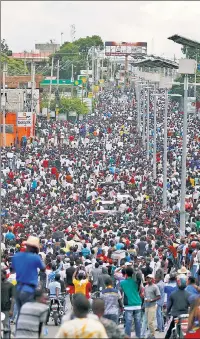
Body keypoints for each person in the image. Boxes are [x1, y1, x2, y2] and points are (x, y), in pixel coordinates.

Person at [12, 236, 45, 316]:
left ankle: (18, 328)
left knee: (20, 314)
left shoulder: (16, 256)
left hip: (18, 288)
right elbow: (43, 268)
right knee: (28, 315)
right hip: (29, 290)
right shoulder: (35, 258)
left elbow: (14, 268)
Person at [166, 274, 191, 339]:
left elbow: (169, 307)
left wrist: (167, 313)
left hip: (175, 316)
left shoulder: (173, 294)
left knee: (168, 332)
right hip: (185, 317)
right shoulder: (188, 295)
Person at [120, 266, 142, 338]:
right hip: (138, 304)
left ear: (126, 274)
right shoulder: (137, 282)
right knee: (138, 323)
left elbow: (121, 291)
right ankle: (138, 337)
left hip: (128, 306)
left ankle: (127, 337)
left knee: (128, 324)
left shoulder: (122, 282)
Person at [144, 274, 161, 339]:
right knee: (148, 322)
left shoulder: (155, 287)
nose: (148, 279)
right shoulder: (146, 287)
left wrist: (151, 300)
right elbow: (145, 295)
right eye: (147, 278)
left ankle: (153, 335)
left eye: (149, 278)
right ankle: (151, 334)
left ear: (152, 279)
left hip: (152, 305)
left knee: (150, 321)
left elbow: (159, 296)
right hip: (146, 306)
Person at [1, 269, 15, 339]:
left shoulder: (10, 285)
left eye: (1, 275)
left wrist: (11, 310)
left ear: (5, 275)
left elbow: (13, 298)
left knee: (6, 327)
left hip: (6, 309)